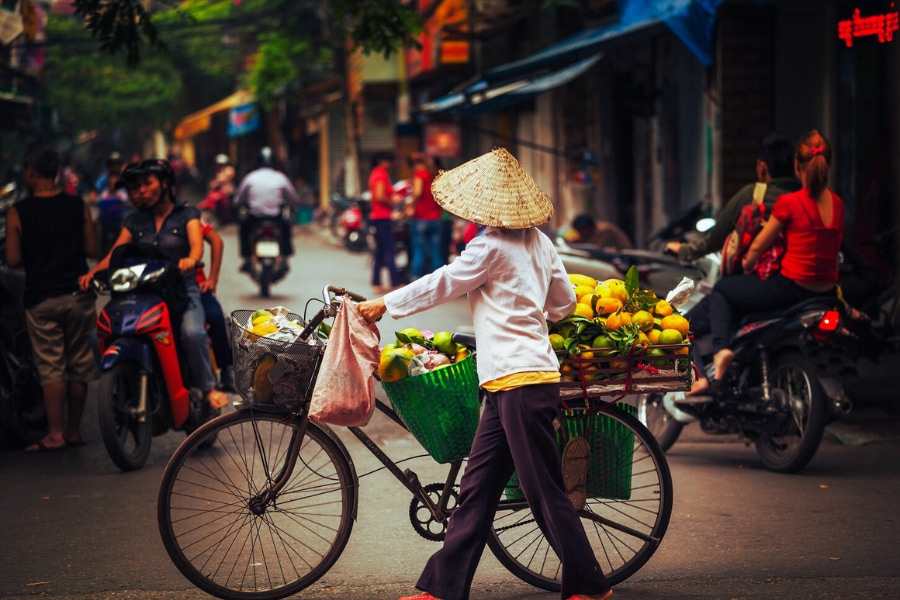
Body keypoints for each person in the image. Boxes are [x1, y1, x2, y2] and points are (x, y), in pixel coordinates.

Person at [358, 148, 613, 600]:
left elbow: (443, 282)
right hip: (510, 383)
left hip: (520, 382)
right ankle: (442, 588)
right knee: (476, 489)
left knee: (543, 492)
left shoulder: (489, 246)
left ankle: (591, 586)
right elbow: (566, 304)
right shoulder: (541, 242)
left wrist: (386, 303)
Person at [79, 158, 227, 410]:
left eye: (148, 183)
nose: (141, 191)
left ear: (166, 183)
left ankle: (207, 388)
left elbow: (198, 246)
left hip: (181, 289)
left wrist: (191, 260)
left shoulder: (186, 215)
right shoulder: (134, 222)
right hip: (141, 291)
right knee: (98, 335)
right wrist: (93, 273)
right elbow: (114, 253)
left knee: (192, 333)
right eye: (136, 187)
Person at [705, 130, 844, 385]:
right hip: (825, 291)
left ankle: (721, 349)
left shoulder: (790, 202)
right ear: (830, 163)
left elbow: (758, 245)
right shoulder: (837, 203)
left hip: (791, 288)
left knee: (723, 289)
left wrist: (747, 263)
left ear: (796, 165)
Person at [5, 147, 99, 452]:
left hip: (42, 299)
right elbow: (92, 248)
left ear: (31, 172)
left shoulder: (19, 212)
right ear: (57, 172)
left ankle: (55, 434)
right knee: (79, 364)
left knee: (51, 367)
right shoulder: (77, 205)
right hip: (78, 296)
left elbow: (13, 259)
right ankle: (73, 431)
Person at [666, 133, 800, 261]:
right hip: (805, 277)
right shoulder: (806, 196)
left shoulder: (754, 194)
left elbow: (716, 238)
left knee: (723, 286)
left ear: (762, 167)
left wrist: (685, 250)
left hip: (765, 276)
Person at [234, 146, 299, 273]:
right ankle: (285, 256)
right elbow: (293, 198)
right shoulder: (281, 177)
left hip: (255, 218)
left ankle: (247, 258)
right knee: (286, 229)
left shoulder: (250, 177)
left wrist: (239, 205)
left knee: (243, 230)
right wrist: (292, 207)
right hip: (275, 218)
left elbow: (238, 200)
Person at [405, 153, 445, 279]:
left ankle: (415, 280)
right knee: (435, 253)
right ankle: (440, 281)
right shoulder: (434, 175)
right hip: (436, 219)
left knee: (418, 252)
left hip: (421, 219)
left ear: (416, 165)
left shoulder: (420, 174)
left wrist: (408, 207)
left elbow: (417, 193)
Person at [368, 151, 403, 293]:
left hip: (378, 217)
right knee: (389, 250)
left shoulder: (376, 174)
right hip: (382, 217)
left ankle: (376, 282)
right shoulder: (381, 174)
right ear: (383, 161)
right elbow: (380, 196)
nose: (391, 165)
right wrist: (392, 204)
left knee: (380, 252)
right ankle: (395, 282)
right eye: (389, 161)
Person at [566, 214, 633, 251]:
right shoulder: (595, 230)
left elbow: (597, 250)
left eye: (581, 231)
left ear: (587, 227)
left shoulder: (603, 230)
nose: (581, 234)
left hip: (626, 259)